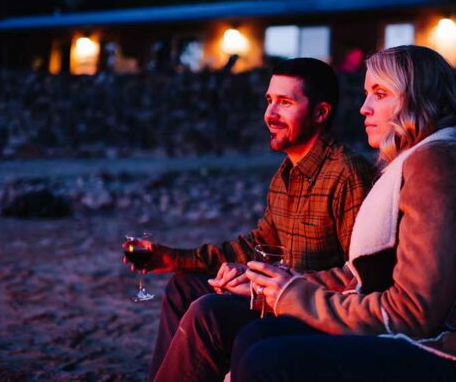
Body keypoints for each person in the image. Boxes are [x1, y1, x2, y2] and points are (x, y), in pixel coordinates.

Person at [232, 46, 456, 382]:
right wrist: (280, 284)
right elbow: (364, 275)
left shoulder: (438, 166)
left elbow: (411, 312)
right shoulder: (409, 167)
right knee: (260, 336)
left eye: (380, 94)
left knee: (270, 359)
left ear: (419, 101)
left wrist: (297, 297)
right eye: (367, 94)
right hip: (451, 330)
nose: (364, 108)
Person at [124, 57, 376, 382]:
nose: (269, 115)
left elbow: (360, 276)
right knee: (185, 286)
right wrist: (173, 258)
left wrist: (274, 285)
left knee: (209, 314)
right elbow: (256, 245)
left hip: (311, 311)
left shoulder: (347, 173)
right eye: (269, 101)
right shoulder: (286, 175)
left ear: (320, 113)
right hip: (272, 296)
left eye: (285, 103)